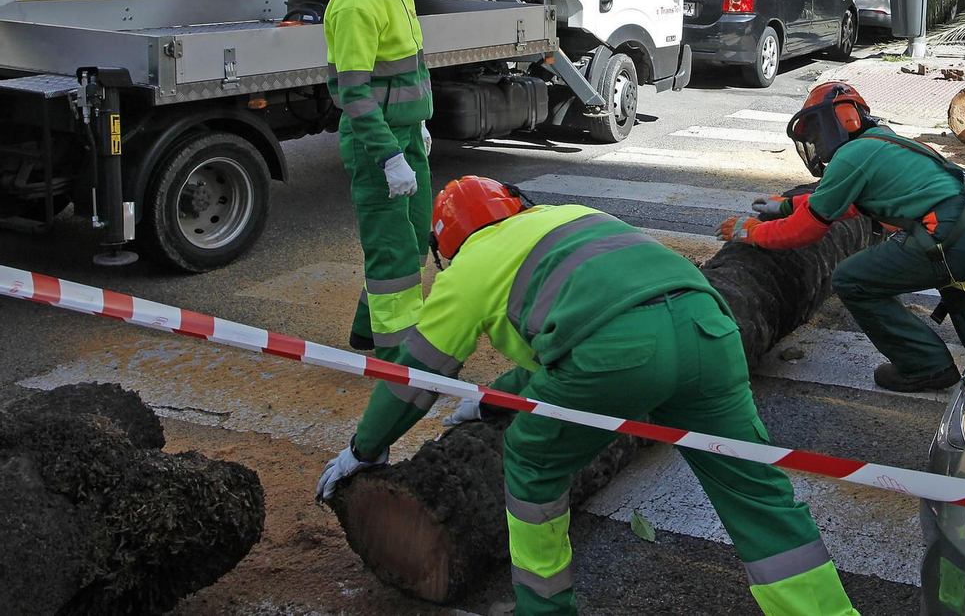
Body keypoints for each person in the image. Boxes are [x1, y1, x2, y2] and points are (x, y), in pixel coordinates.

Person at [317, 178, 861, 616]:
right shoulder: (570, 217)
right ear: (513, 204)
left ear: (449, 246)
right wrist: (495, 399)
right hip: (710, 329)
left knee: (530, 460)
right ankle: (822, 611)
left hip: (618, 353)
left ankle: (545, 608)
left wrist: (365, 450)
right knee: (753, 488)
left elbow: (416, 376)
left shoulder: (470, 269)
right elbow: (567, 346)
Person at [718, 83, 965, 392]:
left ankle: (926, 366)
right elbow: (842, 203)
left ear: (846, 118)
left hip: (954, 233)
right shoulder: (887, 142)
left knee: (852, 280)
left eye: (817, 131)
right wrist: (786, 205)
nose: (817, 142)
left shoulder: (852, 154)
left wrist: (751, 232)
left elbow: (805, 229)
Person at [324, 0, 442, 358]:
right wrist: (390, 156)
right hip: (379, 145)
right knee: (391, 246)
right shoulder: (356, 3)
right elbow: (352, 94)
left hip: (405, 135)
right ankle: (399, 356)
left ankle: (368, 331)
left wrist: (419, 122)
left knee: (412, 238)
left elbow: (402, 72)